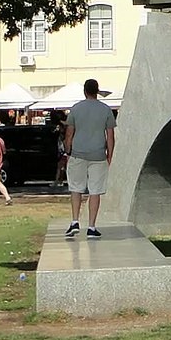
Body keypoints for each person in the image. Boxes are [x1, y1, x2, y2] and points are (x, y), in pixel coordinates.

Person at [63, 79, 116, 238]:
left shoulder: (76, 109)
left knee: (76, 188)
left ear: (85, 91)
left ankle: (74, 222)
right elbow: (111, 136)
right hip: (98, 155)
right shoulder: (105, 110)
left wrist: (68, 150)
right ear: (97, 91)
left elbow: (69, 133)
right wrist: (110, 155)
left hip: (78, 153)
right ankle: (92, 226)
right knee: (95, 191)